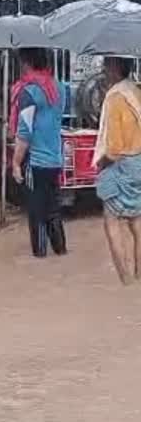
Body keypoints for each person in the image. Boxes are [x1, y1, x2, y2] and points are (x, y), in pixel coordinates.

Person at [10, 48, 68, 258]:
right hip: (55, 157)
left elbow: (24, 131)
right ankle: (60, 250)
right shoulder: (58, 88)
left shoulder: (29, 91)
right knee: (53, 207)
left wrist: (16, 162)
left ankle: (40, 253)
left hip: (36, 160)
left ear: (26, 63)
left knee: (36, 210)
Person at [93, 57, 141, 284]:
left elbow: (113, 148)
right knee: (137, 222)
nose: (103, 69)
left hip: (120, 164)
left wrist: (100, 164)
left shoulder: (115, 98)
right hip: (139, 162)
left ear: (114, 67)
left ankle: (126, 280)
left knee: (111, 220)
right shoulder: (136, 91)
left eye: (106, 65)